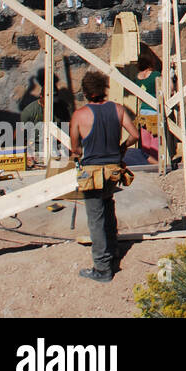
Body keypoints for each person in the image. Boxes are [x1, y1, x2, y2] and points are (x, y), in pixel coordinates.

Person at [69, 70, 139, 282]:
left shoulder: (80, 115)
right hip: (114, 171)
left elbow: (75, 149)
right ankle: (113, 252)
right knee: (108, 209)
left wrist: (80, 153)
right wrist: (122, 149)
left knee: (96, 219)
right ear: (104, 89)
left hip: (92, 174)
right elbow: (134, 135)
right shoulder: (118, 109)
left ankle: (102, 269)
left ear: (86, 92)